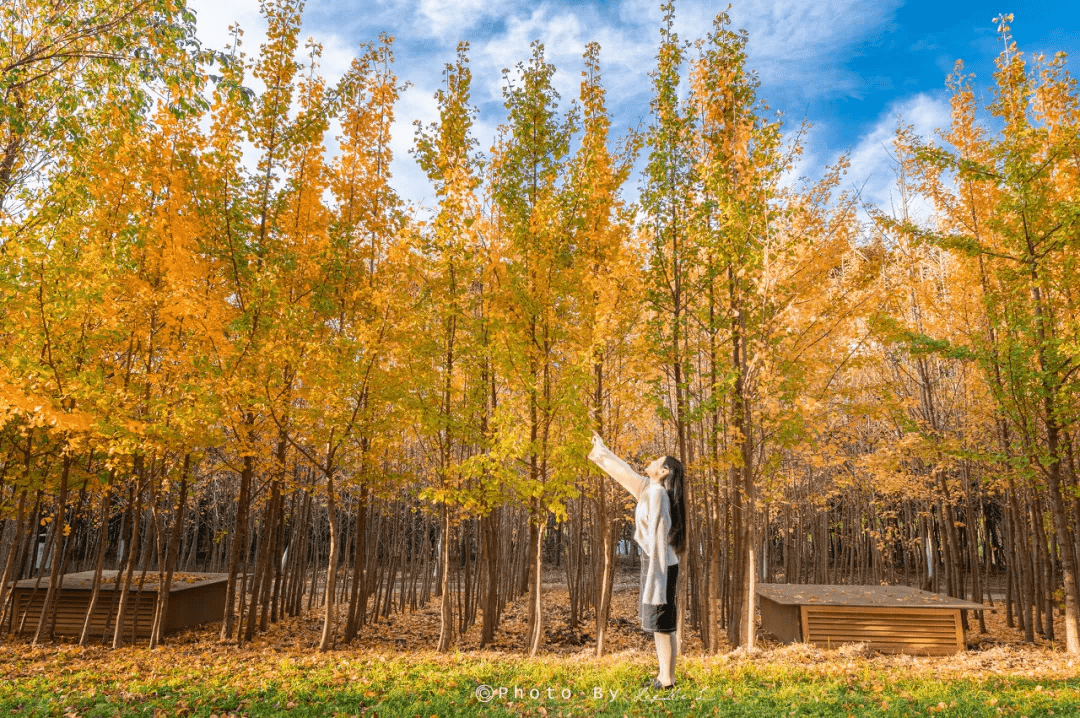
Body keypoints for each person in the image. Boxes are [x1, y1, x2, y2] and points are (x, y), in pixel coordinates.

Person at [588, 432, 686, 690]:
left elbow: (657, 537)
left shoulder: (657, 496)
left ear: (663, 471)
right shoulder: (649, 489)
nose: (651, 461)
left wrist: (655, 577)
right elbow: (624, 473)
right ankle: (667, 677)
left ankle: (666, 679)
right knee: (662, 624)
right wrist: (602, 450)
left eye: (657, 461)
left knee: (661, 624)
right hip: (660, 563)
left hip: (660, 565)